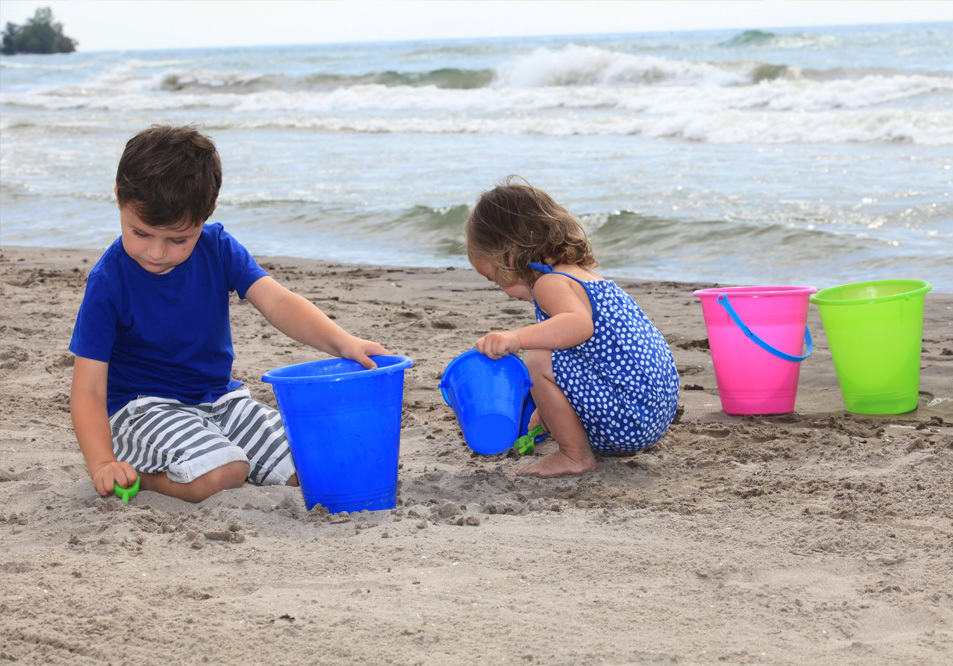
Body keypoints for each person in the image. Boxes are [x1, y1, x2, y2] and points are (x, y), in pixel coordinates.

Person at [69, 125, 388, 502]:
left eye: (177, 240)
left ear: (207, 213)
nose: (156, 253)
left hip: (222, 401)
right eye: (140, 233)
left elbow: (278, 302)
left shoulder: (217, 247)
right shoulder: (109, 280)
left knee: (315, 463)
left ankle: (211, 454)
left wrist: (344, 343)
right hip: (141, 410)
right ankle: (144, 476)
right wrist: (102, 462)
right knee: (225, 471)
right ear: (120, 198)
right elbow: (88, 388)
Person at [466, 178, 679, 477]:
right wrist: (548, 406)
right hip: (651, 411)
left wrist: (514, 338)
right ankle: (582, 441)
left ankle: (574, 455)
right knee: (547, 352)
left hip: (629, 418)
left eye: (496, 278)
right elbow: (591, 355)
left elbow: (579, 327)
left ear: (511, 253)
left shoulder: (550, 284)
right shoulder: (581, 275)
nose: (501, 289)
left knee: (537, 358)